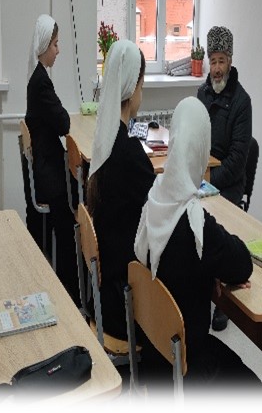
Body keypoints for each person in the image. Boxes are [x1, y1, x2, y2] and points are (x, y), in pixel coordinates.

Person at [134, 96, 262, 400]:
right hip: (185, 365)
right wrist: (213, 267)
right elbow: (242, 264)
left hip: (152, 357)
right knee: (255, 389)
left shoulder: (153, 200)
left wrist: (208, 269)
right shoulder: (196, 225)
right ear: (201, 150)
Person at [86, 40, 155, 341]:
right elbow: (162, 219)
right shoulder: (129, 155)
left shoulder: (106, 141)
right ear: (132, 87)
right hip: (125, 305)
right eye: (142, 84)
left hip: (105, 295)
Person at [196, 25, 252, 331]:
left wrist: (209, 183)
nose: (216, 68)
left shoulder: (242, 102)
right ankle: (202, 283)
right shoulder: (202, 94)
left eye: (222, 61)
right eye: (213, 61)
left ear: (230, 61)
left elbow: (238, 159)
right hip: (203, 178)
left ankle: (223, 300)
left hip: (227, 183)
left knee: (212, 227)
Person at [24, 14, 80, 307]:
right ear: (45, 45)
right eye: (56, 44)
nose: (58, 50)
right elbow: (63, 123)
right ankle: (72, 288)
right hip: (49, 175)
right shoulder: (41, 83)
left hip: (45, 166)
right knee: (76, 208)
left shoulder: (39, 78)